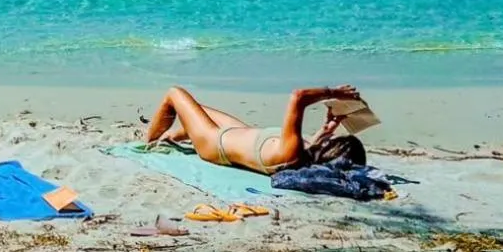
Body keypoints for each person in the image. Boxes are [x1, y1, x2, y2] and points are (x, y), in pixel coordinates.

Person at [143, 84, 368, 175]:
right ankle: (171, 136)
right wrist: (324, 130)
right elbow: (310, 150)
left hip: (215, 143)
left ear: (330, 151)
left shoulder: (292, 151)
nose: (330, 138)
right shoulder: (303, 156)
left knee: (174, 94)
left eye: (334, 141)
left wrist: (334, 93)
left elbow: (298, 97)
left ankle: (147, 143)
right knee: (196, 111)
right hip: (237, 133)